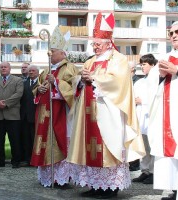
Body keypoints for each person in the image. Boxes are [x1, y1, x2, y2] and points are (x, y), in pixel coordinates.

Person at [67, 12, 145, 199]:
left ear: (108, 43)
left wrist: (93, 78)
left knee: (108, 148)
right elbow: (79, 80)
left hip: (108, 113)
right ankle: (96, 185)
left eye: (98, 44)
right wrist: (80, 79)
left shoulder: (118, 60)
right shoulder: (90, 61)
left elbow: (119, 83)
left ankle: (111, 188)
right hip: (88, 114)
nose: (95, 47)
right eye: (94, 44)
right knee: (90, 148)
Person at [30, 26, 78, 187]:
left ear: (63, 53)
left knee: (60, 142)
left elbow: (75, 89)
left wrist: (56, 83)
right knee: (45, 143)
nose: (49, 54)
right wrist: (39, 89)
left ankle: (62, 178)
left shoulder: (70, 68)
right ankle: (48, 177)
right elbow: (37, 88)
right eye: (49, 51)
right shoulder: (46, 71)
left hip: (62, 114)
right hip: (45, 115)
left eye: (53, 51)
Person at [147, 21, 178, 200]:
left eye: (176, 31)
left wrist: (177, 70)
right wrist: (160, 76)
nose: (173, 35)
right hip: (167, 112)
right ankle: (174, 189)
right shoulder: (166, 56)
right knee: (169, 153)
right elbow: (150, 84)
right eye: (170, 32)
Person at [0, 62, 23, 168]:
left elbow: (18, 94)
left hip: (12, 114)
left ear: (10, 68)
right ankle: (0, 161)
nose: (3, 68)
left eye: (5, 67)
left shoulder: (18, 80)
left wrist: (6, 103)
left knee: (14, 140)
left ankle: (16, 161)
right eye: (1, 67)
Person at [132, 54, 159, 185]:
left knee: (152, 146)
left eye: (145, 64)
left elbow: (157, 98)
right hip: (140, 117)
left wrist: (143, 101)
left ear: (153, 65)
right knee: (143, 147)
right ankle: (145, 170)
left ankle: (153, 172)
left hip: (151, 118)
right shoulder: (140, 81)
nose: (142, 67)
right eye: (141, 64)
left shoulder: (157, 80)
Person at [20, 65, 39, 167]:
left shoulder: (41, 83)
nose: (31, 72)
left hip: (36, 116)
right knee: (26, 139)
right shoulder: (24, 83)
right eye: (30, 71)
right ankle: (28, 160)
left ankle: (36, 160)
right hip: (25, 116)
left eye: (33, 71)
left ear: (37, 72)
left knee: (35, 139)